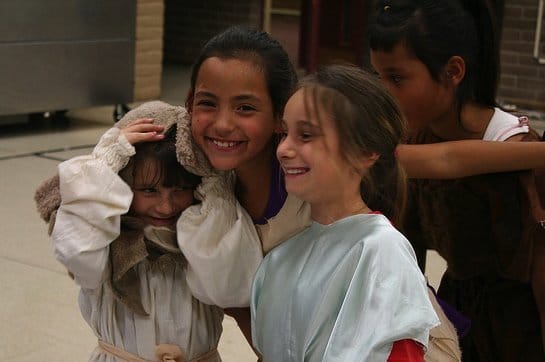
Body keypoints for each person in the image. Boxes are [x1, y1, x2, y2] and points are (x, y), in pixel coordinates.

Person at [369, 0, 545, 360]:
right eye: (379, 77)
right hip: (456, 313)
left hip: (519, 328)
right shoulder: (414, 140)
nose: (384, 93)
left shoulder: (512, 149)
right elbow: (407, 245)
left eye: (397, 78)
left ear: (453, 71)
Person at [250, 63, 440, 361]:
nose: (283, 149)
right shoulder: (279, 257)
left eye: (307, 135)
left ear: (366, 152)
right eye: (285, 133)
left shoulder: (381, 252)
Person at [34, 101, 235, 361]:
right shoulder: (105, 244)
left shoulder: (204, 238)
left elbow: (231, 286)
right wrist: (106, 162)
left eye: (180, 189)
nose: (165, 206)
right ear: (122, 183)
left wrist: (216, 183)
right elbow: (76, 250)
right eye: (149, 190)